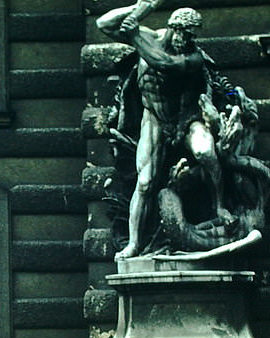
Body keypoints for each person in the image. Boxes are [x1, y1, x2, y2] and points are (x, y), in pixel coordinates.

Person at [97, 2, 237, 259]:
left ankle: (219, 205)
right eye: (185, 32)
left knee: (206, 152)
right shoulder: (150, 36)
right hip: (155, 120)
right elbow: (103, 24)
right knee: (145, 182)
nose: (188, 38)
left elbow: (164, 64)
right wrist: (140, 7)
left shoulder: (192, 57)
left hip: (187, 119)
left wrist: (133, 35)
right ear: (173, 27)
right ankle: (134, 244)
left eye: (192, 34)